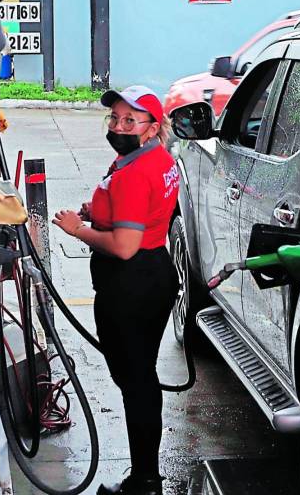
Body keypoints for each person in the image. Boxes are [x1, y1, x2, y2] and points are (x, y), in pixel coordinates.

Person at [52, 86, 180, 495]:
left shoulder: (134, 172)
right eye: (114, 118)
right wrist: (101, 212)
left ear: (151, 128)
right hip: (154, 274)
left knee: (136, 380)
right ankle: (146, 476)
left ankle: (144, 481)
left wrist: (80, 229)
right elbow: (143, 212)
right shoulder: (156, 159)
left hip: (131, 286)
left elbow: (125, 246)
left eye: (130, 120)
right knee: (142, 378)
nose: (118, 126)